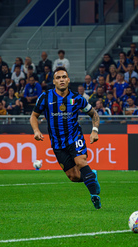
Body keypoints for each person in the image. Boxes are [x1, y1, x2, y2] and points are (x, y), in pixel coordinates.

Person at [30, 66, 102, 209]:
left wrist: (94, 131)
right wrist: (36, 130)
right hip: (57, 143)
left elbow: (94, 114)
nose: (61, 80)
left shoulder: (77, 98)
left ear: (68, 80)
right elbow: (34, 116)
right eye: (58, 78)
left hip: (75, 138)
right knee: (74, 177)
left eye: (64, 77)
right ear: (54, 81)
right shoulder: (45, 97)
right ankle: (91, 176)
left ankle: (94, 196)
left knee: (81, 162)